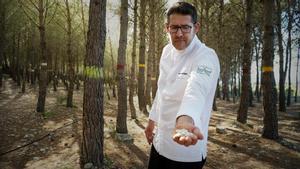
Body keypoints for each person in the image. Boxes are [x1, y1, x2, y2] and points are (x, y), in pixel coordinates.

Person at [144, 2, 220, 169]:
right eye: (174, 28)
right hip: (160, 143)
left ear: (196, 27)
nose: (179, 34)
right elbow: (161, 89)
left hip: (186, 154)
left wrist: (186, 118)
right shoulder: (166, 51)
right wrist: (151, 121)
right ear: (167, 28)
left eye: (185, 27)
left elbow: (196, 89)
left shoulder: (206, 56)